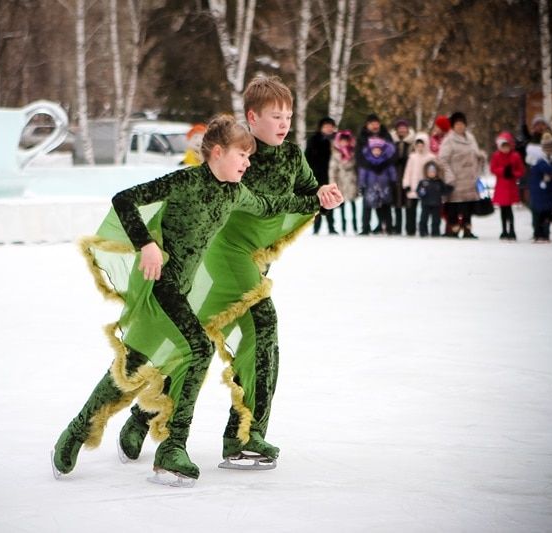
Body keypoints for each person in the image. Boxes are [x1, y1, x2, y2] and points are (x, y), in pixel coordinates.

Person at [51, 114, 342, 485]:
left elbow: (272, 205)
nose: (248, 163)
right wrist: (148, 245)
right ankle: (172, 447)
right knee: (198, 349)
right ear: (217, 152)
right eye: (242, 156)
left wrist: (316, 197)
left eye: (250, 158)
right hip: (159, 286)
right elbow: (124, 200)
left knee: (136, 364)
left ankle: (79, 429)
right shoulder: (184, 181)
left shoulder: (235, 192)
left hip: (182, 292)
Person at [117, 75, 342, 472]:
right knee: (264, 323)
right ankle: (243, 438)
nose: (285, 122)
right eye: (276, 115)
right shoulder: (238, 154)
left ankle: (142, 416)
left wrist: (324, 197)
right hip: (223, 253)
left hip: (254, 260)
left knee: (194, 341)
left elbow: (306, 194)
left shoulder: (292, 156)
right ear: (252, 118)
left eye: (289, 115)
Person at [438, 111, 485, 238]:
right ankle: (453, 229)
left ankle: (467, 229)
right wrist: (449, 175)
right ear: (453, 126)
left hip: (470, 179)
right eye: (457, 124)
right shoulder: (449, 140)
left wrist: (480, 157)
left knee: (468, 206)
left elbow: (475, 154)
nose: (460, 126)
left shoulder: (470, 138)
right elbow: (442, 159)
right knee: (454, 205)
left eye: (462, 124)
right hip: (456, 179)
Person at [356, 113, 394, 234]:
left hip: (383, 174)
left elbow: (392, 153)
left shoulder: (385, 135)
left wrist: (383, 165)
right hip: (369, 174)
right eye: (372, 123)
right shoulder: (362, 136)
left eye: (377, 122)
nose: (375, 125)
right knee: (367, 204)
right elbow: (359, 156)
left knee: (384, 204)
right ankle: (365, 228)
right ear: (367, 125)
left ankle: (386, 226)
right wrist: (370, 166)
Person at [490, 132, 525, 240]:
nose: (505, 149)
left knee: (509, 210)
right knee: (503, 210)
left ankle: (512, 230)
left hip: (510, 187)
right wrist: (503, 171)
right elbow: (493, 168)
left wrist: (513, 174)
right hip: (501, 187)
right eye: (503, 146)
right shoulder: (496, 156)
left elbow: (521, 170)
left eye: (507, 146)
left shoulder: (515, 156)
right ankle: (504, 230)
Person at [306, 116, 337, 234]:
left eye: (331, 126)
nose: (329, 129)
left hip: (333, 176)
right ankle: (316, 227)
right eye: (326, 126)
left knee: (331, 201)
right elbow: (308, 158)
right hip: (318, 176)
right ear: (321, 128)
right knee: (318, 202)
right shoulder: (314, 140)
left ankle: (331, 227)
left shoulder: (337, 140)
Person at [528, 133, 552, 242]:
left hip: (544, 192)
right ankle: (539, 234)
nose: (549, 151)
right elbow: (548, 169)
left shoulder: (550, 159)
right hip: (540, 191)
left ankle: (543, 234)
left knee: (545, 214)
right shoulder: (540, 159)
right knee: (541, 214)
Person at [402, 132, 435, 236]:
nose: (420, 147)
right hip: (413, 187)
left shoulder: (431, 157)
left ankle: (423, 229)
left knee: (425, 211)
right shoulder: (412, 157)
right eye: (418, 145)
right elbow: (408, 171)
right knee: (411, 210)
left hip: (427, 188)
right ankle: (410, 229)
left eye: (422, 145)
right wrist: (406, 184)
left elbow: (435, 172)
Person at [329, 130, 358, 233]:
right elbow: (332, 171)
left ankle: (355, 225)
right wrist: (333, 184)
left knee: (353, 203)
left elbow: (357, 168)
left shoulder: (353, 153)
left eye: (346, 141)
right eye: (342, 141)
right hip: (340, 182)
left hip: (351, 181)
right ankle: (343, 226)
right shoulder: (336, 155)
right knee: (342, 204)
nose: (344, 143)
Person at [389, 119, 415, 234]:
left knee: (409, 202)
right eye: (400, 128)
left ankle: (410, 228)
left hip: (410, 174)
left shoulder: (412, 142)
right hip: (395, 175)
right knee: (397, 202)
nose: (402, 130)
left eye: (404, 128)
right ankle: (398, 228)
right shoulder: (391, 142)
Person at [416, 161, 452, 237]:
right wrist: (421, 192)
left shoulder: (439, 182)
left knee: (436, 220)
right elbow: (419, 191)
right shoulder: (423, 182)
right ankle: (423, 232)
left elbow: (444, 191)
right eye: (429, 172)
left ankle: (435, 232)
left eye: (433, 172)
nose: (431, 173)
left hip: (437, 204)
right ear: (426, 172)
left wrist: (449, 189)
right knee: (423, 219)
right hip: (425, 204)